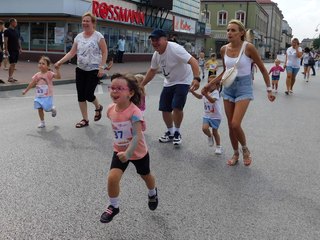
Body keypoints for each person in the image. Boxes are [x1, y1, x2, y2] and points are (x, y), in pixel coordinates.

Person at [201, 19, 275, 166]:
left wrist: (269, 89)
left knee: (235, 124)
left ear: (241, 33)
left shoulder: (249, 48)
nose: (229, 33)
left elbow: (262, 68)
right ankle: (235, 153)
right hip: (229, 87)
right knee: (230, 125)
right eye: (228, 30)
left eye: (233, 30)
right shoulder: (224, 49)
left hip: (244, 87)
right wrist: (209, 85)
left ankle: (245, 149)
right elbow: (225, 72)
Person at [100, 74, 158, 224]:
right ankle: (114, 206)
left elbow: (138, 136)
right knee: (112, 178)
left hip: (137, 152)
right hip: (119, 151)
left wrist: (129, 153)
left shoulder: (135, 112)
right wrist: (123, 151)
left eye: (119, 88)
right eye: (112, 88)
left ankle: (152, 193)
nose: (114, 91)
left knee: (146, 175)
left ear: (130, 93)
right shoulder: (110, 109)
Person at [140, 29, 200, 147]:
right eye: (152, 40)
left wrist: (196, 78)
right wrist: (141, 85)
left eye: (157, 40)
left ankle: (177, 132)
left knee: (177, 106)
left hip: (183, 80)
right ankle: (170, 131)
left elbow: (193, 61)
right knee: (164, 108)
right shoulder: (156, 55)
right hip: (169, 81)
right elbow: (152, 70)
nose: (154, 42)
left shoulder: (175, 49)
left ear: (165, 39)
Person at [54, 12, 107, 128]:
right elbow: (72, 52)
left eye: (88, 21)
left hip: (94, 69)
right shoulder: (78, 37)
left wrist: (101, 67)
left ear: (93, 23)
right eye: (83, 21)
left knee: (89, 94)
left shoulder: (98, 36)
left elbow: (104, 52)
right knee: (81, 96)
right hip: (80, 69)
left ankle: (98, 107)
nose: (85, 23)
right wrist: (60, 62)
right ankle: (85, 119)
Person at [22, 56, 61, 128]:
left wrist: (57, 70)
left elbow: (58, 77)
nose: (41, 65)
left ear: (48, 66)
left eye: (43, 63)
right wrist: (25, 90)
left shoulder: (49, 73)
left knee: (47, 108)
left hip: (47, 95)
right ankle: (42, 122)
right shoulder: (37, 75)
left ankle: (52, 108)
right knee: (39, 108)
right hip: (39, 95)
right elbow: (32, 83)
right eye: (39, 63)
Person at [190, 77, 223, 155]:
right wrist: (192, 92)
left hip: (216, 116)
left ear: (217, 85)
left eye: (212, 84)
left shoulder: (216, 92)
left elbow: (212, 100)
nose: (209, 85)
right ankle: (209, 136)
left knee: (215, 132)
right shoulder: (206, 91)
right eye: (208, 83)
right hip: (207, 115)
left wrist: (206, 94)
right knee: (204, 129)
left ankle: (218, 147)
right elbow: (200, 97)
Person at [4, 18, 22, 83]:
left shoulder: (16, 31)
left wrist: (20, 48)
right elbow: (6, 41)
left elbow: (18, 40)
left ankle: (11, 76)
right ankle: (9, 77)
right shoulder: (7, 31)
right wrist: (6, 49)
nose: (16, 24)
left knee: (14, 63)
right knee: (12, 63)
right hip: (10, 50)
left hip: (16, 49)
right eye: (15, 22)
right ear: (11, 23)